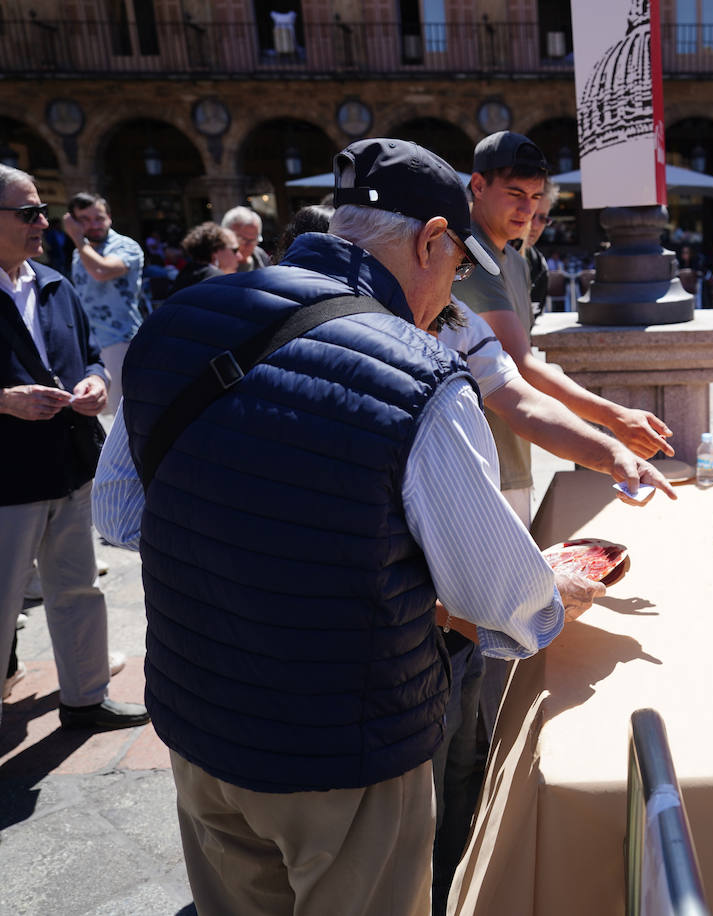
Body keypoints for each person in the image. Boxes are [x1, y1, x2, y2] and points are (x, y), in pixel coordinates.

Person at [91, 138, 579, 916]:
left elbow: (118, 516)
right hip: (345, 750)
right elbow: (504, 601)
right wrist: (553, 591)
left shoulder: (176, 321)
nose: (447, 295)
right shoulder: (420, 372)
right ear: (431, 241)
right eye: (455, 269)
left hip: (199, 723)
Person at [429, 296, 673, 915]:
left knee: (462, 758)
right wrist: (525, 600)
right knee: (414, 798)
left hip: (450, 618)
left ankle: (454, 888)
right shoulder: (365, 348)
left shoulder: (453, 315)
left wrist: (611, 450)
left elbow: (519, 394)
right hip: (390, 660)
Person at [460, 130, 673, 525]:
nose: (527, 209)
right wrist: (613, 418)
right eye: (515, 193)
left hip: (507, 456)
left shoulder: (516, 258)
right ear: (478, 185)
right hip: (477, 464)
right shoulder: (469, 257)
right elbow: (519, 366)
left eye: (535, 196)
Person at [0, 165, 148, 732]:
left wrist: (96, 383)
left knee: (77, 589)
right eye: (28, 212)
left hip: (68, 464)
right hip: (9, 477)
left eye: (40, 210)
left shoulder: (54, 284)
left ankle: (85, 699)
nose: (42, 222)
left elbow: (87, 355)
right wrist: (5, 400)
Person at [63, 191, 143, 415]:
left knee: (121, 415)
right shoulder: (81, 253)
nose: (94, 225)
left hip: (120, 341)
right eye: (84, 220)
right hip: (89, 344)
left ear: (109, 216)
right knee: (95, 414)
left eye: (98, 217)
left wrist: (78, 240)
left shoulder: (126, 246)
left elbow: (101, 270)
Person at [167, 222, 239, 294]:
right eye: (235, 250)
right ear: (216, 251)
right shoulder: (218, 279)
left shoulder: (183, 275)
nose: (239, 257)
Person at [522, 181, 556, 316]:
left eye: (543, 218)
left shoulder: (539, 266)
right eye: (531, 214)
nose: (535, 225)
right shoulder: (483, 259)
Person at [222, 205, 271, 271]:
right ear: (225, 236)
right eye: (242, 239)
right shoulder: (214, 266)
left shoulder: (262, 257)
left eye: (253, 240)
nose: (248, 245)